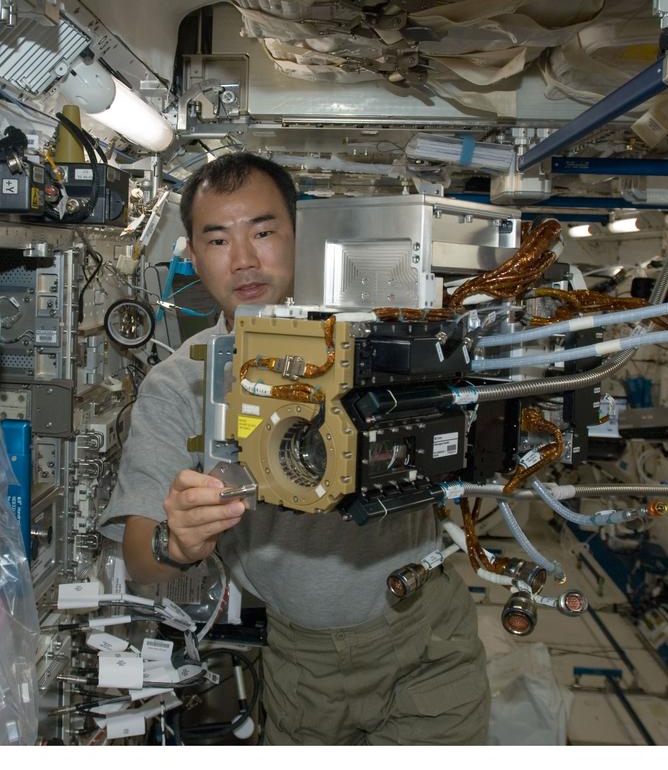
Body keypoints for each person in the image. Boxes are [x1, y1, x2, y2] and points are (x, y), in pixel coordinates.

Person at [99, 152, 490, 745]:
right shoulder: (181, 384)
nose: (245, 260)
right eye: (218, 240)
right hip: (303, 663)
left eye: (263, 232)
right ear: (194, 255)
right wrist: (174, 541)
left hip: (426, 636)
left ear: (297, 232)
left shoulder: (386, 338)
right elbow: (137, 553)